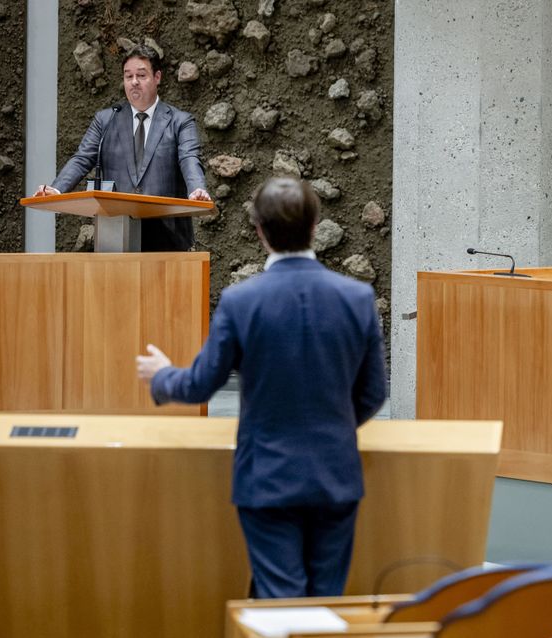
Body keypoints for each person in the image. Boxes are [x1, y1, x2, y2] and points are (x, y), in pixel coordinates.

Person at [135, 177, 387, 597]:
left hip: (268, 478)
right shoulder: (357, 297)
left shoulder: (241, 300)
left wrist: (162, 375)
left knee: (280, 603)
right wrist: (333, 427)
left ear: (259, 231)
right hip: (335, 476)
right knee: (326, 600)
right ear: (314, 226)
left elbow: (200, 385)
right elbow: (373, 393)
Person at [32, 44, 211, 251]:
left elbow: (189, 159)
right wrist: (57, 189)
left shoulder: (180, 121)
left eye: (141, 75)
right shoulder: (106, 120)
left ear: (157, 77)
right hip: (117, 236)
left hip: (168, 238)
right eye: (128, 76)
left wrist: (197, 188)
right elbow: (82, 158)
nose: (134, 82)